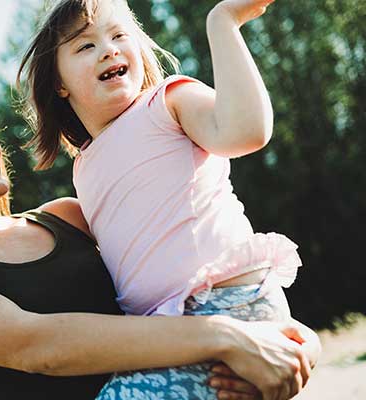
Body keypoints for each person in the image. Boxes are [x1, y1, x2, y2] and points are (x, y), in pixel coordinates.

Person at [0, 71, 318, 400]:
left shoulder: (69, 217)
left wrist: (292, 345)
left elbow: (190, 278)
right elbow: (35, 346)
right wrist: (225, 338)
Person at [17, 0, 314, 398]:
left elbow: (246, 130)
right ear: (59, 84)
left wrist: (222, 22)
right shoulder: (83, 168)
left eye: (120, 35)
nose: (109, 48)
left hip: (226, 305)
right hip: (169, 333)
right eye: (85, 46)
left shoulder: (166, 102)